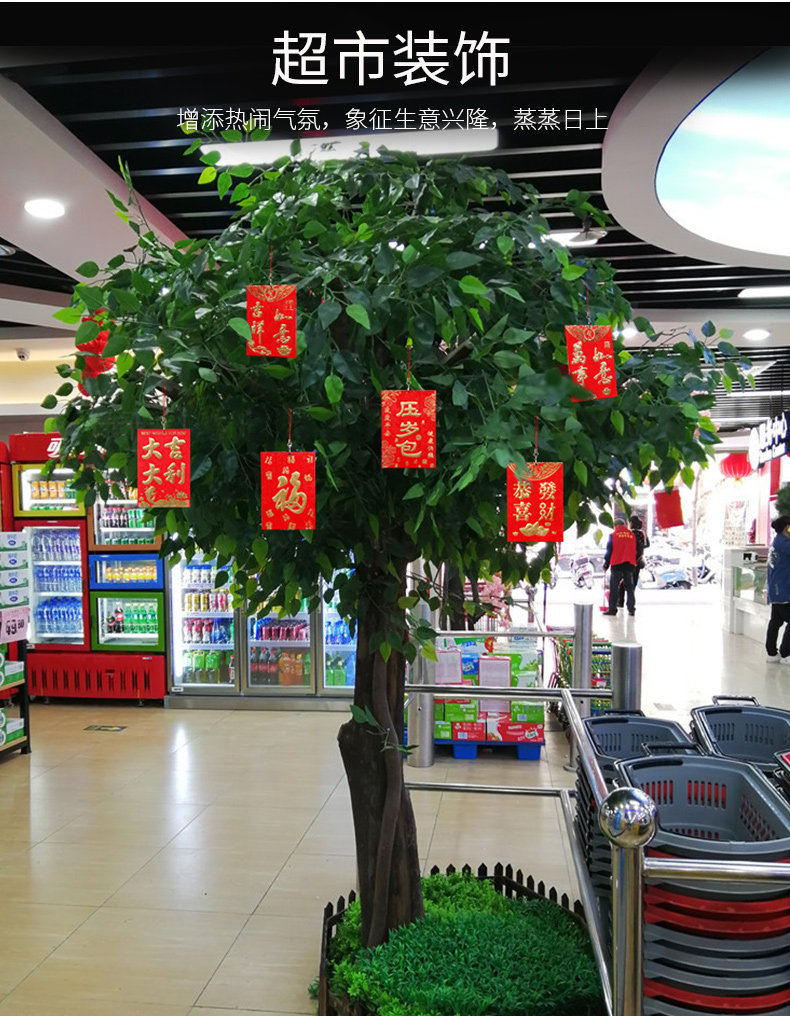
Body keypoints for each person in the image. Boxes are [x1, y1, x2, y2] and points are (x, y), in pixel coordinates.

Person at [766, 515, 790, 663]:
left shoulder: (777, 542)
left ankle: (771, 653)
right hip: (784, 591)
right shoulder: (785, 544)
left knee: (775, 622)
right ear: (786, 528)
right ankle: (786, 653)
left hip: (776, 591)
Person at [603, 516, 637, 616]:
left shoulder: (613, 535)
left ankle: (612, 609)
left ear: (615, 526)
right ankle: (631, 609)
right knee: (629, 588)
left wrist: (606, 564)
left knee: (614, 587)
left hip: (617, 564)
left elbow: (609, 551)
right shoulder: (631, 535)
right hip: (629, 564)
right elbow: (635, 550)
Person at [618, 514, 649, 608]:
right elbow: (647, 545)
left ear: (631, 523)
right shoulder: (642, 533)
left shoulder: (628, 533)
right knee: (633, 584)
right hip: (638, 562)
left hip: (627, 561)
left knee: (622, 583)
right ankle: (631, 605)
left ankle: (620, 602)